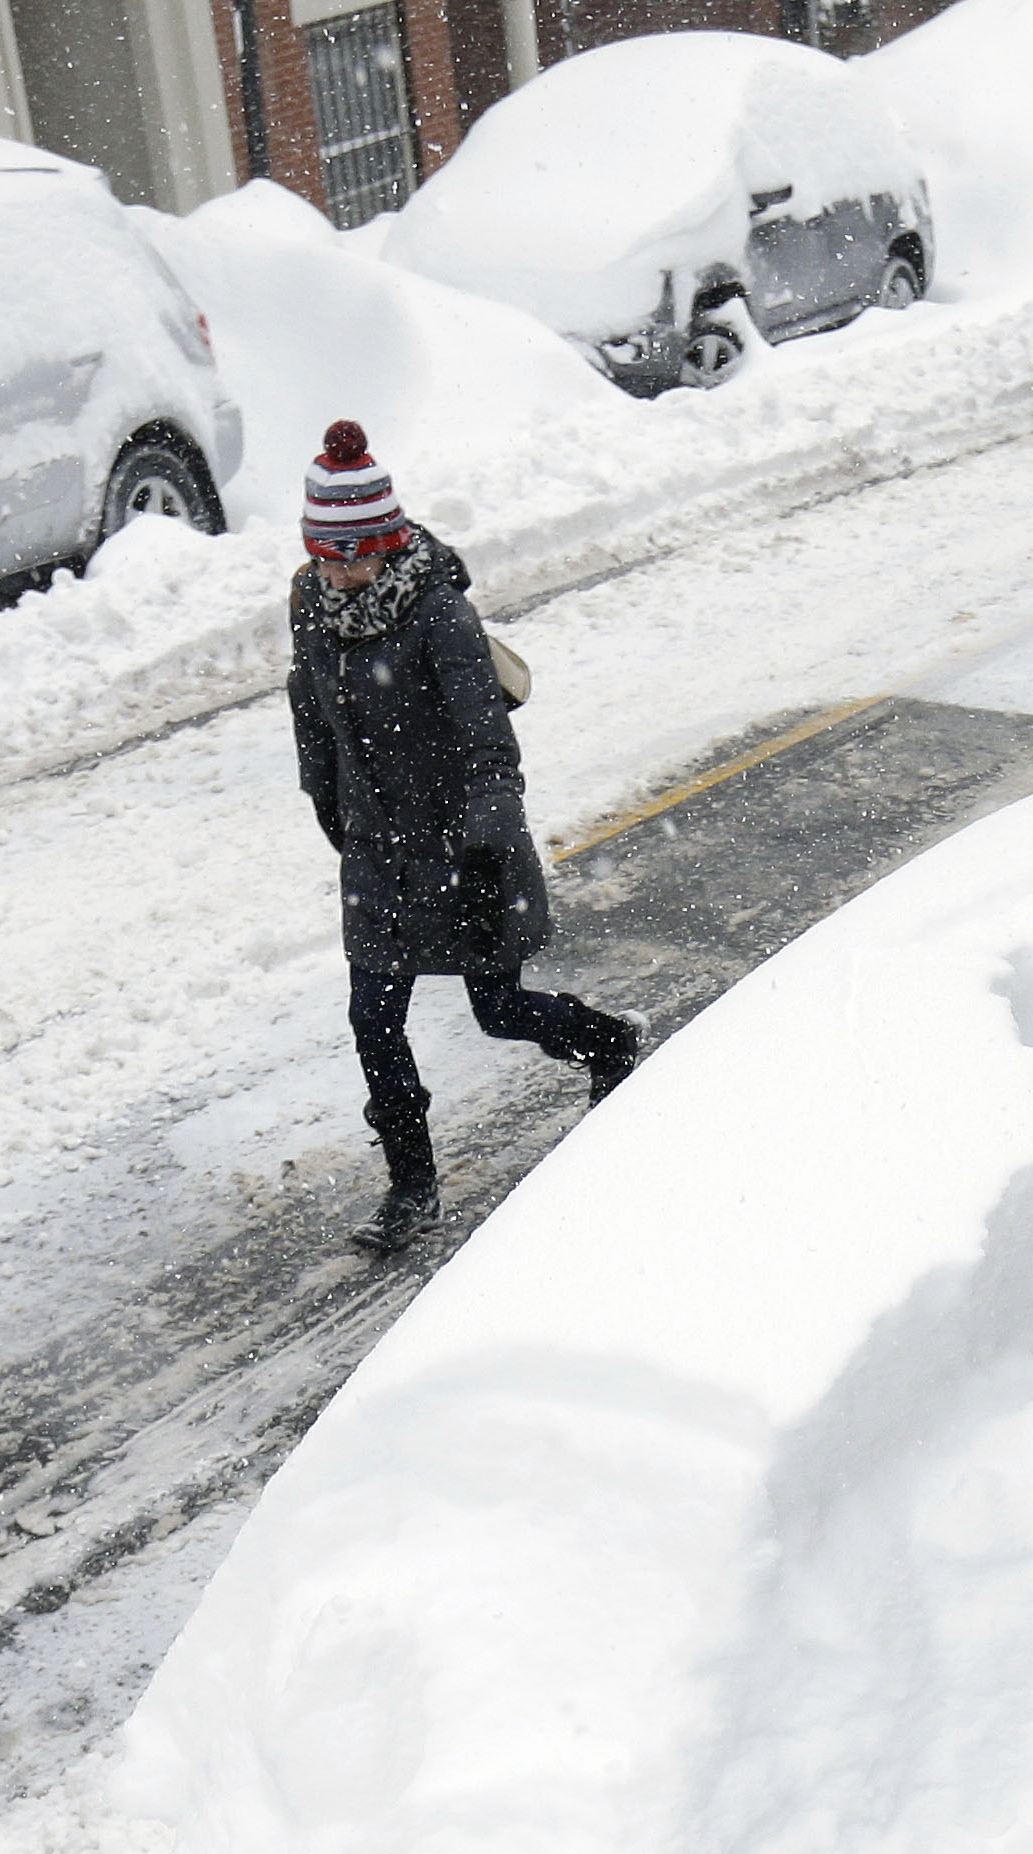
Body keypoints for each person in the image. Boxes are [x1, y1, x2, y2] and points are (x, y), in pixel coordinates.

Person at [285, 419, 643, 1260]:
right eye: (328, 558)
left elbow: (487, 742)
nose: (343, 574)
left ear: (388, 540)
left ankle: (611, 1042)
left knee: (499, 1010)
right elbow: (310, 712)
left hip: (461, 851)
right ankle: (412, 1187)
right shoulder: (311, 605)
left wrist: (484, 836)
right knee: (373, 1019)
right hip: (377, 854)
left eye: (357, 556)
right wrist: (328, 804)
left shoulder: (439, 615)